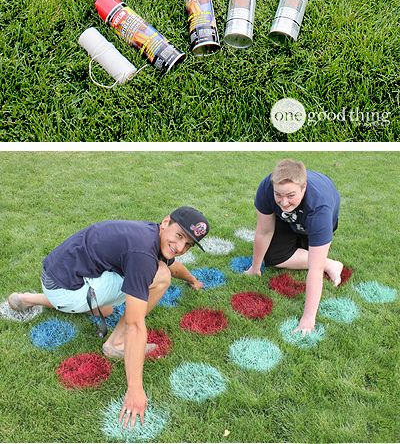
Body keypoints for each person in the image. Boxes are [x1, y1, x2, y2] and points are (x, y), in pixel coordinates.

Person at [8, 206, 209, 427]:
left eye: (188, 244)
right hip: (65, 287)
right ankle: (115, 343)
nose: (180, 247)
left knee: (108, 309)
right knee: (160, 276)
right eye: (179, 236)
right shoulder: (143, 254)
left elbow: (174, 265)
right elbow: (135, 324)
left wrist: (192, 280)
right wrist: (135, 389)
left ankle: (28, 299)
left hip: (57, 279)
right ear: (165, 222)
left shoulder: (150, 234)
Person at [245, 159, 342, 334]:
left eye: (290, 195)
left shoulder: (319, 208)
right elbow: (264, 231)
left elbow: (314, 269)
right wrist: (255, 267)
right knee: (272, 258)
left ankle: (330, 263)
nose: (283, 202)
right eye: (278, 195)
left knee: (315, 260)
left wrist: (308, 318)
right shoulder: (267, 188)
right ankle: (329, 262)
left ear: (303, 188)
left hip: (311, 221)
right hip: (287, 220)